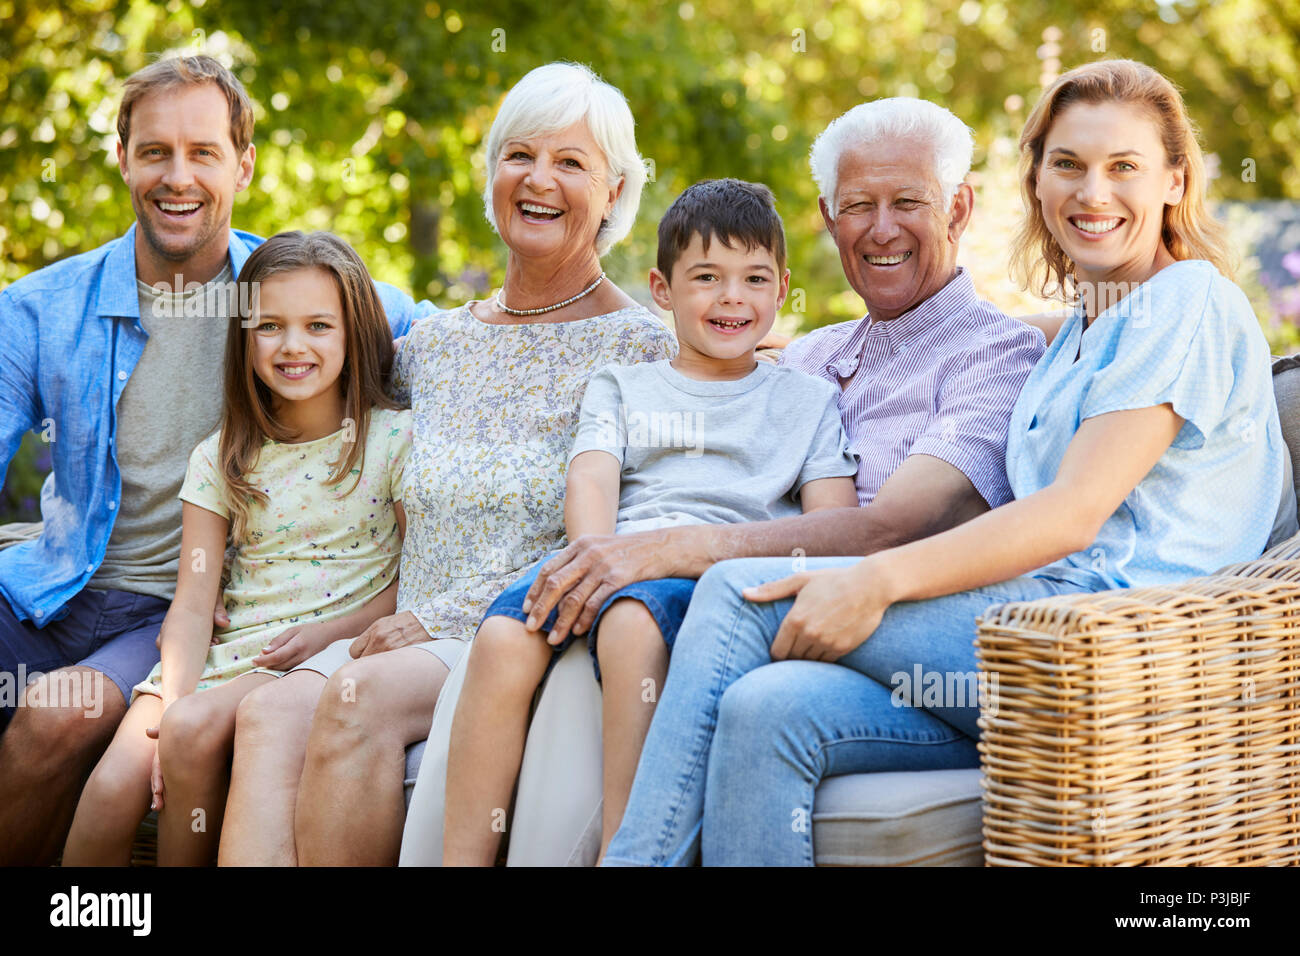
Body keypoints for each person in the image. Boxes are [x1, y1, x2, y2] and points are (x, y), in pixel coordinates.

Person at [602, 58, 1297, 866]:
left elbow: (1072, 513)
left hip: (1112, 651)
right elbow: (998, 340)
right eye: (1066, 164)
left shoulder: (1189, 301)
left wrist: (878, 579)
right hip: (1018, 647)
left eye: (1125, 168)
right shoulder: (1088, 325)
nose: (1092, 193)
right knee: (766, 710)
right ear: (1036, 180)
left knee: (735, 590)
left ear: (1176, 181)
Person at [401, 97, 1046, 866]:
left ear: (961, 208)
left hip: (861, 613)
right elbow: (709, 384)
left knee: (659, 627)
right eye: (856, 207)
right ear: (827, 218)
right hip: (714, 589)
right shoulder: (810, 356)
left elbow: (882, 530)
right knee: (516, 638)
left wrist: (666, 551)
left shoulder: (994, 355)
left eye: (908, 202)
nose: (880, 228)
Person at [218, 61, 677, 866]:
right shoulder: (430, 345)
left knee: (356, 698)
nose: (539, 180)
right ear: (493, 172)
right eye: (520, 155)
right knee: (264, 715)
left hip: (519, 633)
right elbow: (315, 403)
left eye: (572, 163)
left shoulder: (647, 350)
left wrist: (442, 618)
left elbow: (629, 535)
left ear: (615, 191)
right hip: (400, 626)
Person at [0, 54, 430, 865]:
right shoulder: (38, 310)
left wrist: (707, 342)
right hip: (43, 587)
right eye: (156, 151)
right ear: (124, 158)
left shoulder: (292, 292)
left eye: (203, 152)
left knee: (53, 719)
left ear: (244, 164)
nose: (178, 176)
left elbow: (470, 338)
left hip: (167, 610)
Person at [442, 179, 859, 864]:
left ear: (782, 289)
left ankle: (626, 849)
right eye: (706, 278)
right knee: (498, 639)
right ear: (662, 290)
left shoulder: (808, 400)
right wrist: (591, 557)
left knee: (632, 625)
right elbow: (592, 475)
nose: (732, 298)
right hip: (612, 557)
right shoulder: (625, 385)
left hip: (707, 579)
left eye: (754, 278)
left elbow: (832, 526)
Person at [60, 231, 412, 865]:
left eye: (318, 326)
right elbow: (194, 608)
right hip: (222, 655)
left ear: (354, 331)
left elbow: (416, 578)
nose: (293, 345)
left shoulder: (390, 442)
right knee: (113, 786)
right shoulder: (222, 457)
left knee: (189, 735)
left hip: (311, 659)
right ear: (244, 336)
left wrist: (332, 632)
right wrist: (169, 701)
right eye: (269, 325)